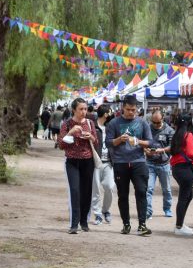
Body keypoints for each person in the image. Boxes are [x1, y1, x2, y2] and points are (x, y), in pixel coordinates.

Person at [106, 95, 153, 236]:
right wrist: (119, 139)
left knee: (141, 191)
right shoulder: (114, 123)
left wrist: (138, 141)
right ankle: (126, 224)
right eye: (128, 109)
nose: (131, 112)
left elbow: (150, 142)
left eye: (133, 110)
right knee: (123, 195)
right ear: (122, 108)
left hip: (139, 162)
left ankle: (142, 225)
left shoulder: (143, 123)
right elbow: (108, 143)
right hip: (120, 163)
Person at [58, 98, 98, 234]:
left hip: (88, 161)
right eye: (81, 109)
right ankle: (74, 224)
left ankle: (84, 221)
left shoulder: (90, 123)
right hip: (72, 161)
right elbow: (61, 145)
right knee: (75, 191)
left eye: (85, 109)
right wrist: (70, 132)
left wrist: (90, 137)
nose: (83, 112)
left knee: (86, 192)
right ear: (74, 110)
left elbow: (96, 142)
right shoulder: (67, 124)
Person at [170, 114, 193, 236]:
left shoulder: (177, 135)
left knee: (187, 196)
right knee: (184, 197)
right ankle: (179, 226)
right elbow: (190, 153)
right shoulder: (188, 135)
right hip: (185, 170)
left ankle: (180, 224)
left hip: (177, 168)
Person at [146, 109, 175, 220]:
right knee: (148, 189)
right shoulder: (147, 128)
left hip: (164, 164)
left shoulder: (169, 130)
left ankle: (167, 209)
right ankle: (148, 211)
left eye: (158, 122)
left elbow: (171, 146)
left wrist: (161, 150)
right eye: (154, 122)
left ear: (163, 119)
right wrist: (146, 150)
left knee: (166, 189)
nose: (156, 125)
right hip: (149, 163)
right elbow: (142, 142)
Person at [91, 105, 116, 225]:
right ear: (106, 114)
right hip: (96, 162)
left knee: (109, 186)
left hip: (109, 162)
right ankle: (97, 214)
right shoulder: (93, 126)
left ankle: (105, 210)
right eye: (110, 112)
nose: (112, 114)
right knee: (95, 189)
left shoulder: (111, 127)